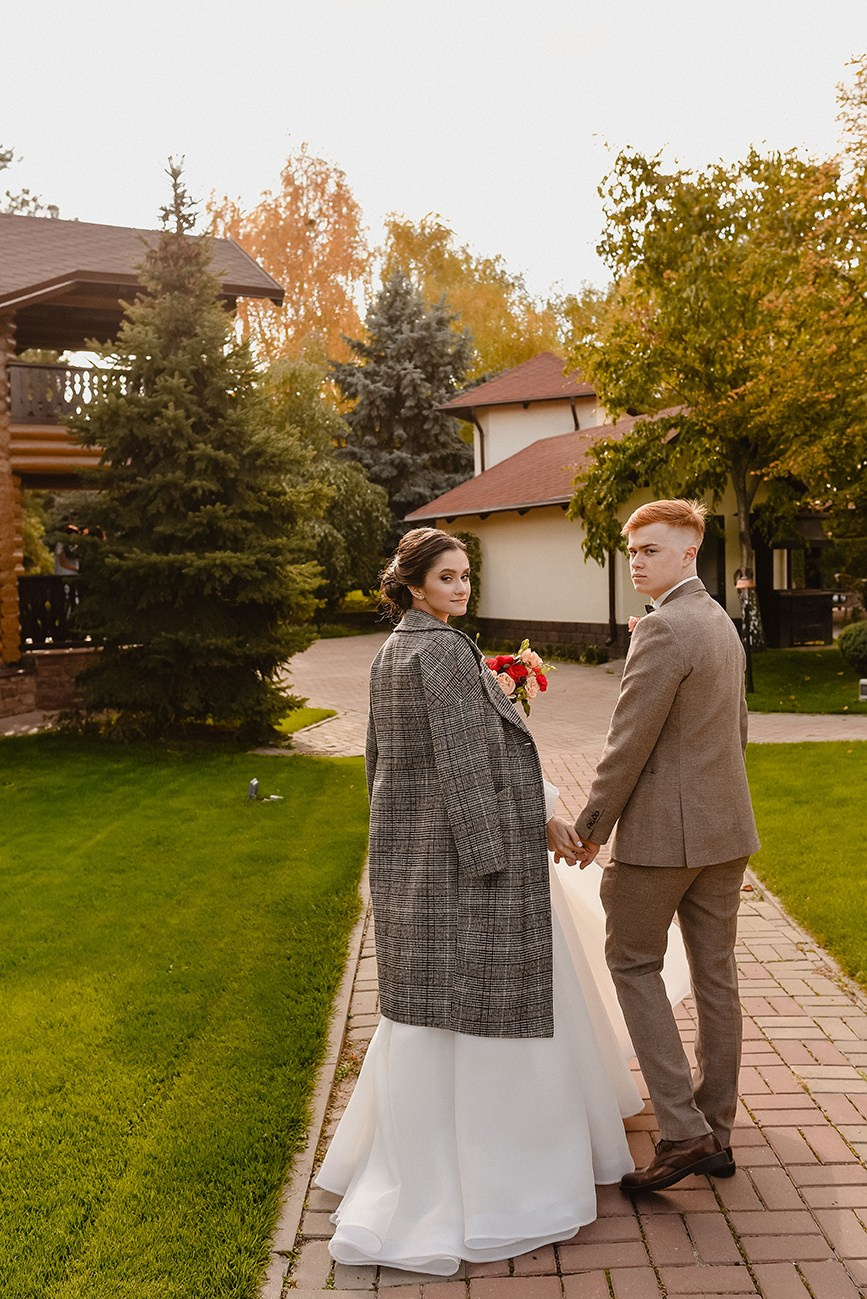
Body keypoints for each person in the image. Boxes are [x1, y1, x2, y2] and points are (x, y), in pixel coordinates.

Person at [315, 527, 664, 1276]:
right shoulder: (442, 652)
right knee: (491, 1001)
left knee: (426, 1007)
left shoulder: (391, 654)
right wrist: (498, 854)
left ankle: (420, 1155)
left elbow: (380, 762)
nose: (460, 587)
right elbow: (468, 768)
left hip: (414, 854)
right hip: (465, 862)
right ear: (410, 584)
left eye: (466, 575)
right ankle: (509, 1180)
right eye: (446, 577)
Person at [573, 499, 760, 1193]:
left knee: (630, 960)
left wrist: (591, 827)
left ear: (688, 554)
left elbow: (626, 747)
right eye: (631, 550)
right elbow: (733, 729)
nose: (636, 559)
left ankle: (681, 1131)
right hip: (725, 831)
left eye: (650, 548)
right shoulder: (719, 623)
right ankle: (715, 1129)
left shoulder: (661, 630)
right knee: (716, 976)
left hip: (661, 841)